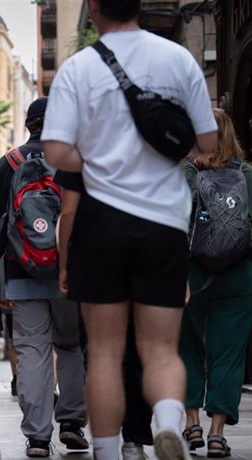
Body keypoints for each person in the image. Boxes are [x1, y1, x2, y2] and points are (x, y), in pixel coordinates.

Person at [41, 0, 218, 458]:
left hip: (101, 222)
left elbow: (56, 152)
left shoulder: (78, 68)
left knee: (103, 350)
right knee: (161, 347)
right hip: (163, 223)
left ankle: (105, 449)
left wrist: (101, 160)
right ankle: (167, 423)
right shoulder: (178, 59)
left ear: (94, 9)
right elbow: (208, 142)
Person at [0, 97, 88, 458]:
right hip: (71, 273)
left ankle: (38, 437)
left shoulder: (9, 163)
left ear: (28, 124)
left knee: (31, 349)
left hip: (22, 270)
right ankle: (73, 423)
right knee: (72, 346)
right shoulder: (75, 161)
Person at [56, 170, 153, 460]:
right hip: (142, 256)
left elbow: (69, 211)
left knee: (100, 354)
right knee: (137, 353)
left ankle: (105, 440)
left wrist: (64, 264)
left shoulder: (80, 150)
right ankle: (133, 440)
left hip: (93, 261)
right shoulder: (150, 142)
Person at [179, 108, 252, 459]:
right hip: (239, 275)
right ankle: (217, 434)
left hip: (191, 274)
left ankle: (191, 421)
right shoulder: (248, 175)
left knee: (186, 345)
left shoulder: (186, 174)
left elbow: (174, 228)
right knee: (229, 353)